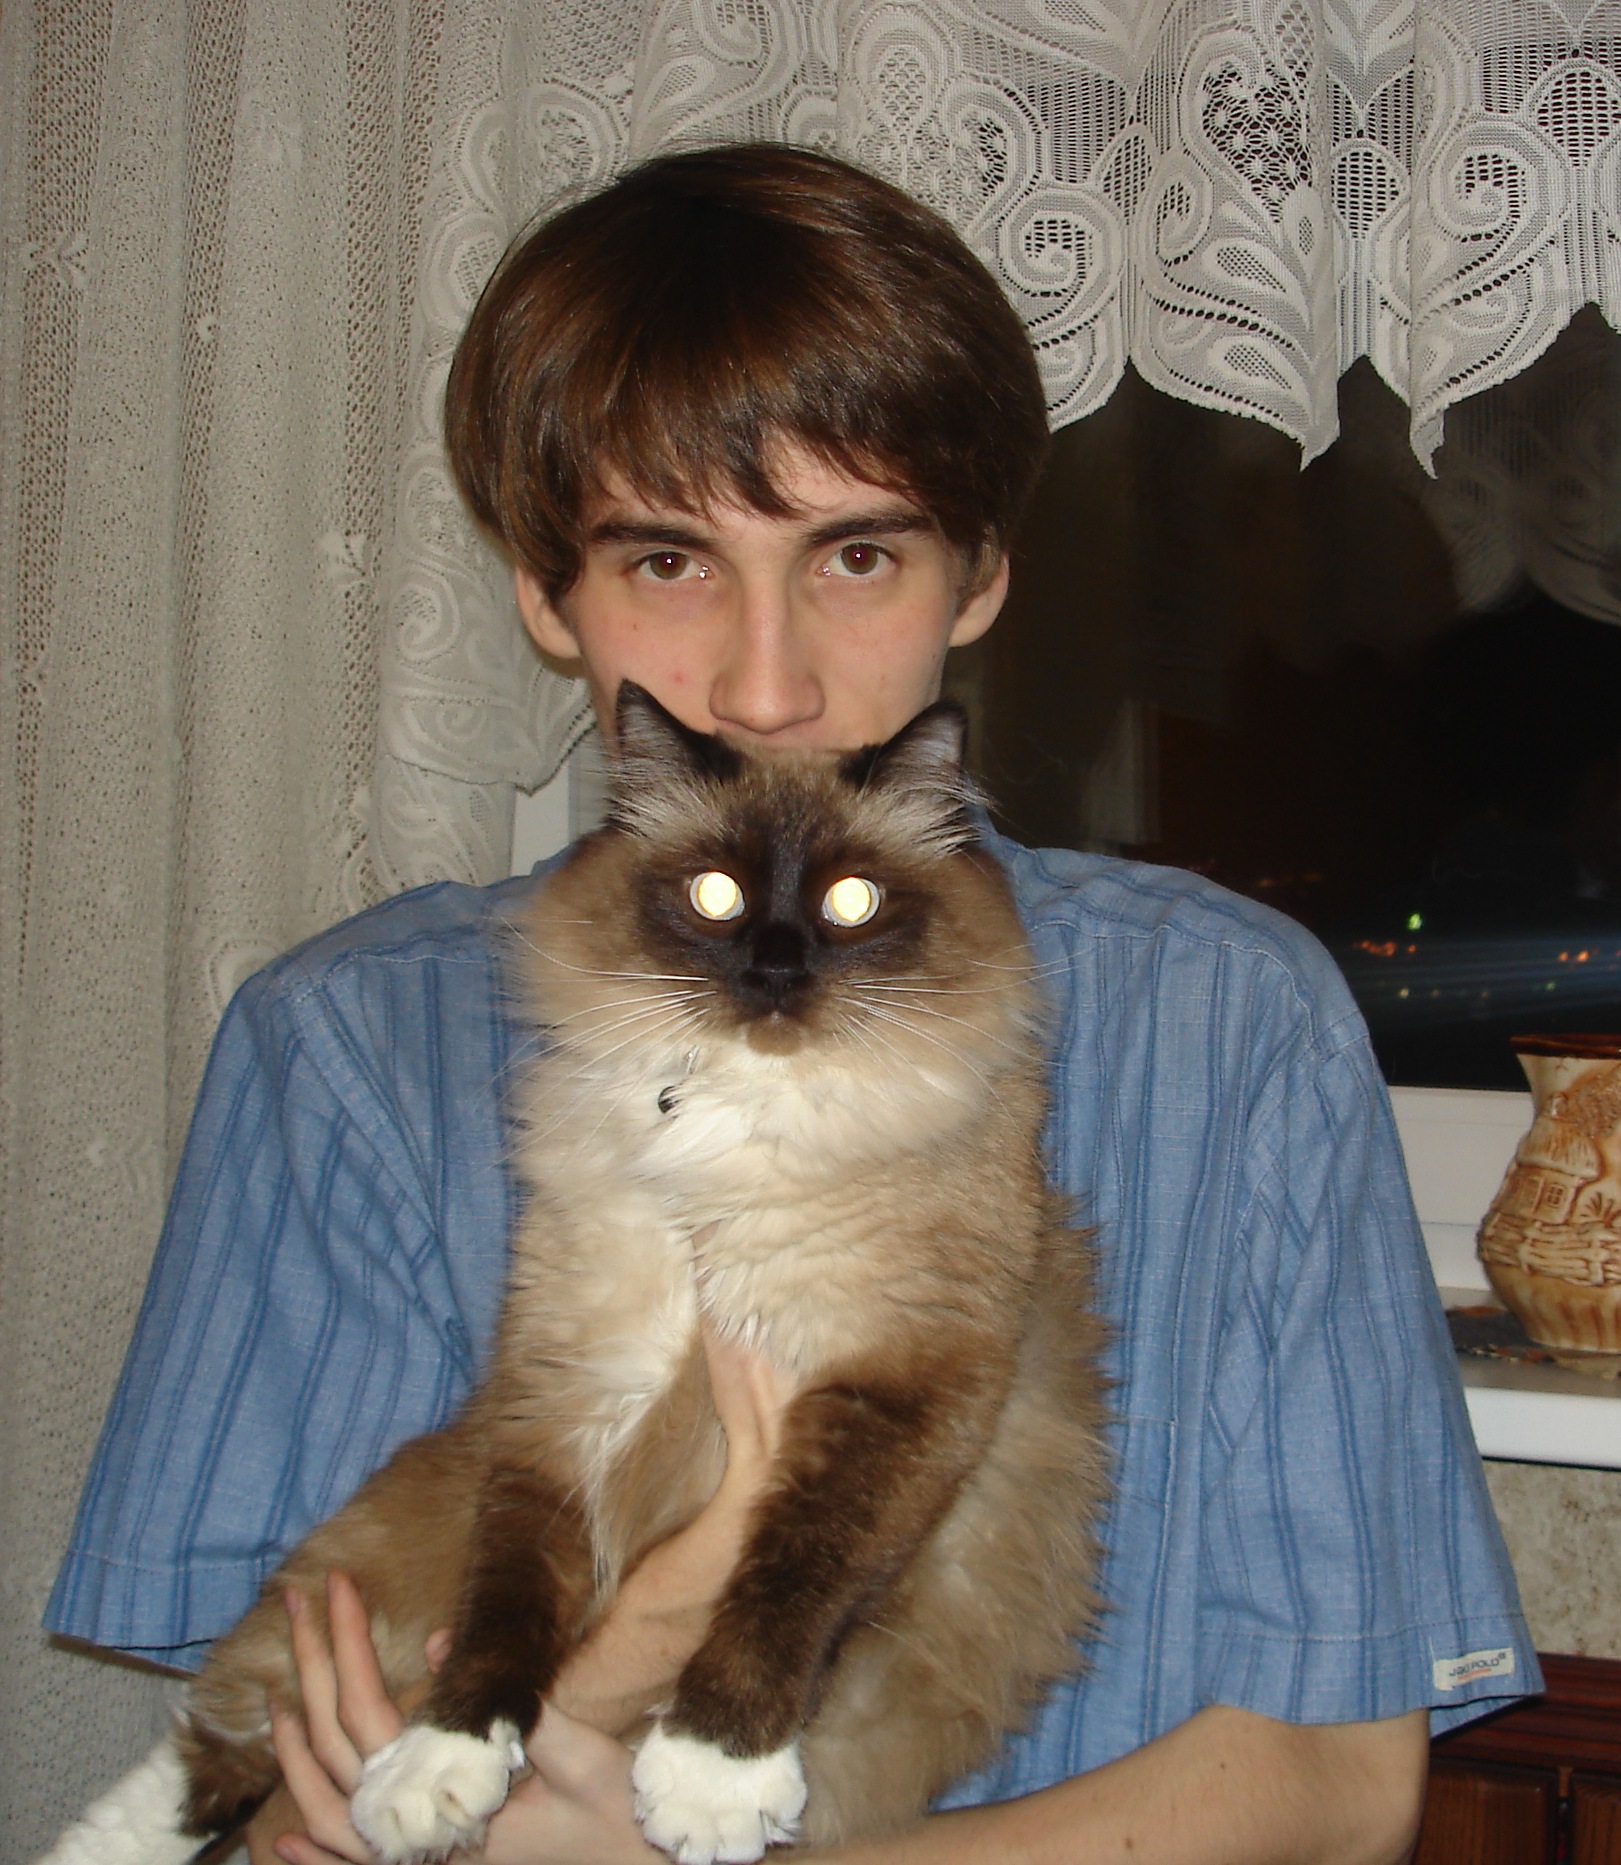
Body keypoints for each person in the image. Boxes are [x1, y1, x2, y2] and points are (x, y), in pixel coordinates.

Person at [46, 145, 1537, 1865]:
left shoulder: (1235, 1021)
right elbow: (276, 1792)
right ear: (543, 592)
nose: (765, 686)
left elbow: (1342, 1788)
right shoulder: (340, 1047)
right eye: (667, 563)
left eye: (856, 557)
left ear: (979, 572)